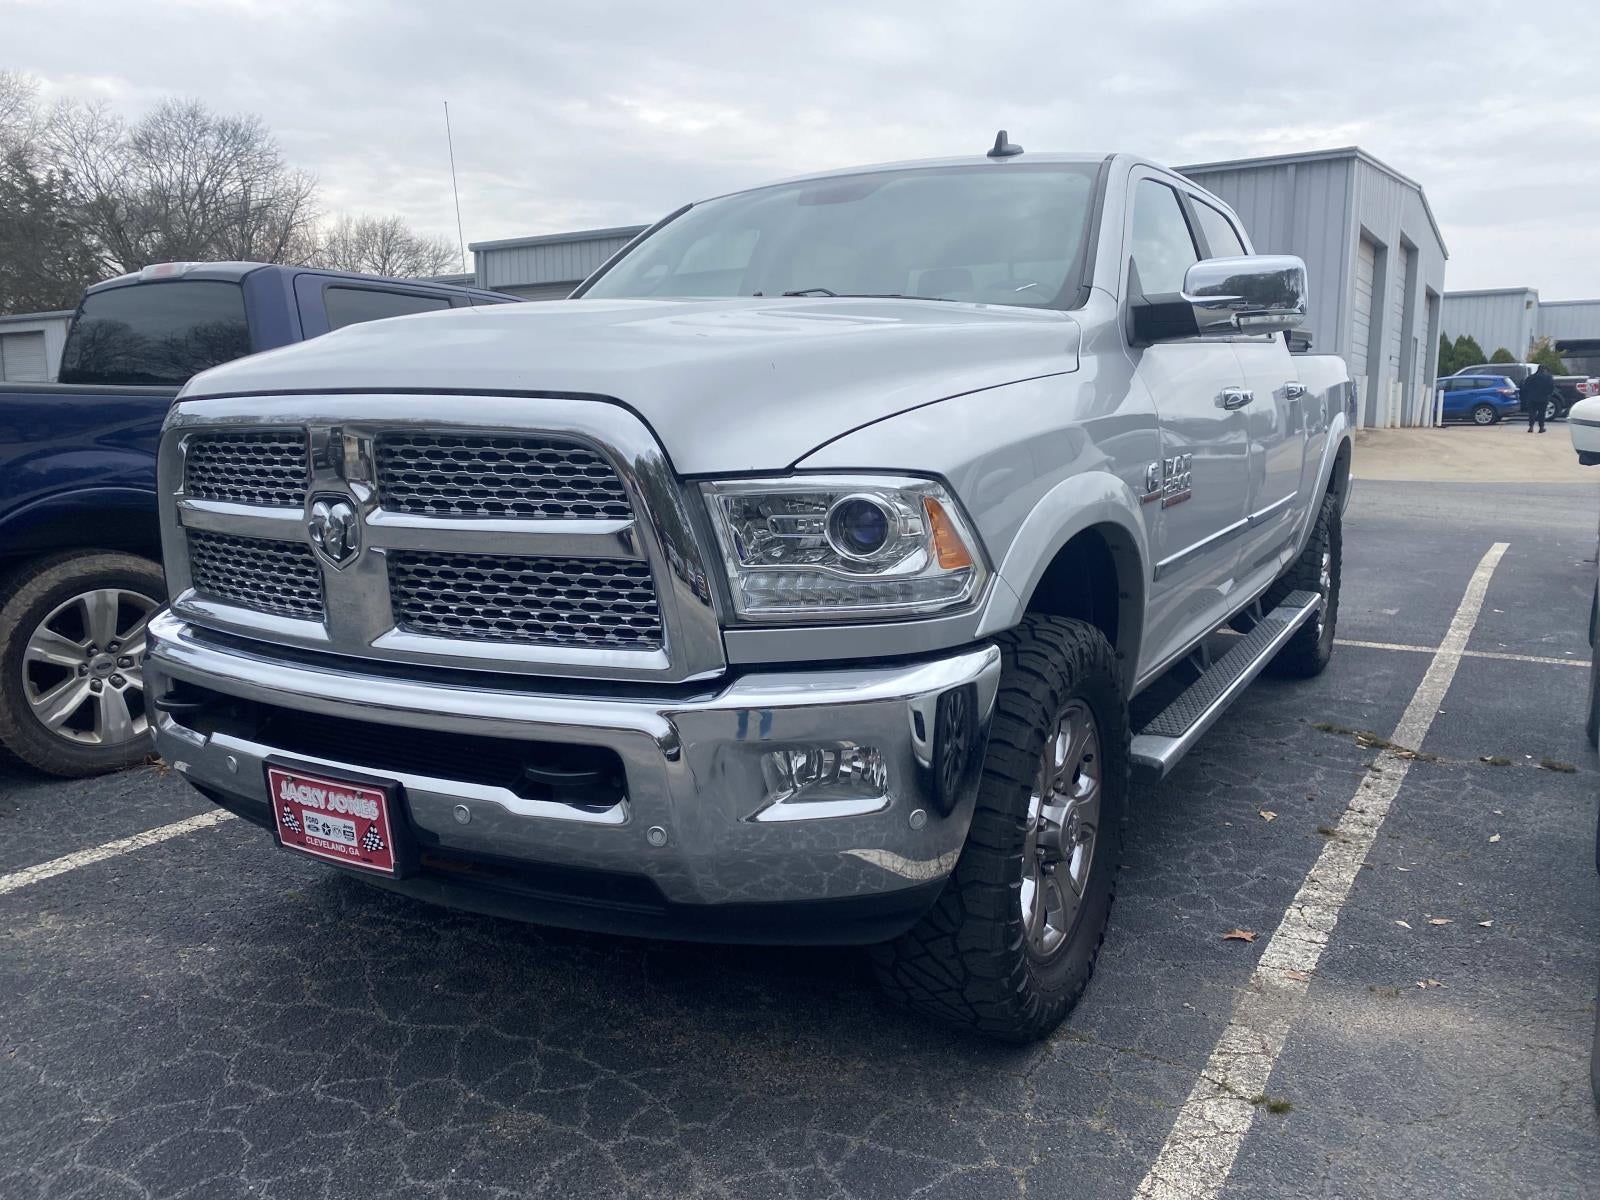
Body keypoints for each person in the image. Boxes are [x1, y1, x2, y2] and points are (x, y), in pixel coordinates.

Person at [1520, 364, 1555, 433]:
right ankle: (1541, 428)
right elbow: (1551, 387)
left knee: (1532, 413)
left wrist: (1529, 394)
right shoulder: (1548, 377)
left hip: (1532, 398)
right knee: (1542, 413)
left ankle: (1531, 427)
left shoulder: (1531, 377)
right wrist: (1548, 394)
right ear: (1544, 370)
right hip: (1543, 398)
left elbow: (1525, 387)